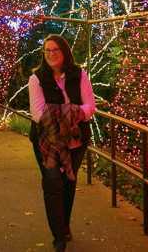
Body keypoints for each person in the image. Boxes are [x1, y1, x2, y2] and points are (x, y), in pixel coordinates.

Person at [28, 34, 96, 252]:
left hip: (76, 141)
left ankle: (64, 224)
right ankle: (58, 236)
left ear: (64, 52)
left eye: (55, 50)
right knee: (52, 182)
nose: (50, 54)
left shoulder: (80, 75)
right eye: (47, 51)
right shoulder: (36, 79)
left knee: (68, 182)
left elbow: (90, 107)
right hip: (46, 141)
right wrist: (72, 113)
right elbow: (38, 114)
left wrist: (62, 114)